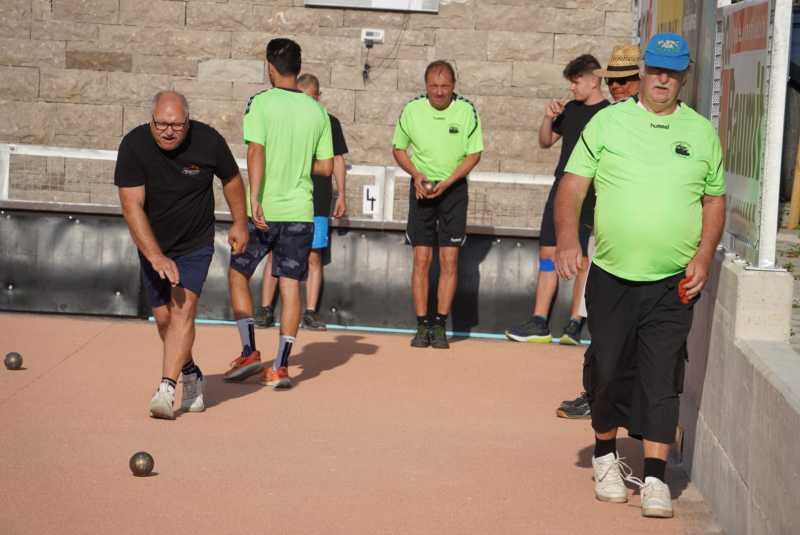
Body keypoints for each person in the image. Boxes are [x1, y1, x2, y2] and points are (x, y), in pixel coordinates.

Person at [555, 33, 725, 518]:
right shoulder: (608, 122)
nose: (663, 79)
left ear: (684, 77)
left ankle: (655, 477)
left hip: (673, 281)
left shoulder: (701, 132)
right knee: (608, 370)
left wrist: (704, 255)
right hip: (612, 275)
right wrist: (567, 239)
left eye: (673, 72)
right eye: (656, 70)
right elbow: (573, 186)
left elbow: (714, 200)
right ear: (644, 73)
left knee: (661, 376)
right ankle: (605, 456)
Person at [114, 90, 249, 419]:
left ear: (187, 121)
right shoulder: (133, 146)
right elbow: (131, 207)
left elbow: (232, 179)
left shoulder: (208, 141)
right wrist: (156, 256)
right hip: (154, 244)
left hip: (195, 243)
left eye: (176, 124)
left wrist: (240, 222)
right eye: (161, 124)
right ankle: (190, 372)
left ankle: (166, 389)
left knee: (182, 309)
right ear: (151, 120)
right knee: (164, 320)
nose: (168, 131)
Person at [223, 38, 333, 389]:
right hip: (301, 211)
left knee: (238, 273)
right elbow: (326, 167)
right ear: (298, 69)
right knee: (290, 286)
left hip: (265, 210)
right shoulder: (317, 111)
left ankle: (249, 351)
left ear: (270, 67)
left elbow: (255, 151)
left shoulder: (261, 102)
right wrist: (298, 162)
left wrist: (255, 199)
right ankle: (281, 367)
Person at [557, 44, 642, 420]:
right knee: (602, 322)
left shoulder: (653, 124)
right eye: (613, 81)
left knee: (630, 331)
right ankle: (595, 394)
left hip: (643, 243)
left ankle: (617, 401)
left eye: (626, 80)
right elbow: (578, 178)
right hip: (604, 234)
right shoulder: (606, 120)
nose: (618, 87)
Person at [505, 55, 609, 345]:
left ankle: (575, 323)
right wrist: (548, 117)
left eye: (576, 82)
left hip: (590, 194)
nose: (572, 88)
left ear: (594, 80)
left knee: (583, 258)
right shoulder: (570, 110)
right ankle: (539, 321)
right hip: (561, 189)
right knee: (548, 253)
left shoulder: (608, 114)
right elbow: (545, 141)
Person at [392, 60, 484, 349]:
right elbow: (398, 148)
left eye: (445, 86)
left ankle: (440, 326)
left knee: (449, 260)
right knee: (421, 259)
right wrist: (416, 175)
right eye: (434, 86)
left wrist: (449, 181)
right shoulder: (412, 109)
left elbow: (474, 154)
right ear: (426, 86)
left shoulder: (466, 110)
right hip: (422, 189)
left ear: (454, 86)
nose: (440, 92)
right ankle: (422, 326)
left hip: (453, 190)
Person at [256, 73, 348, 331]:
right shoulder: (284, 119)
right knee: (275, 253)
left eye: (311, 98)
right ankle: (265, 309)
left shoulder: (328, 122)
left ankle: (310, 312)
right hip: (284, 198)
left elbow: (337, 159)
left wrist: (342, 193)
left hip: (317, 200)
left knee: (314, 256)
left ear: (318, 97)